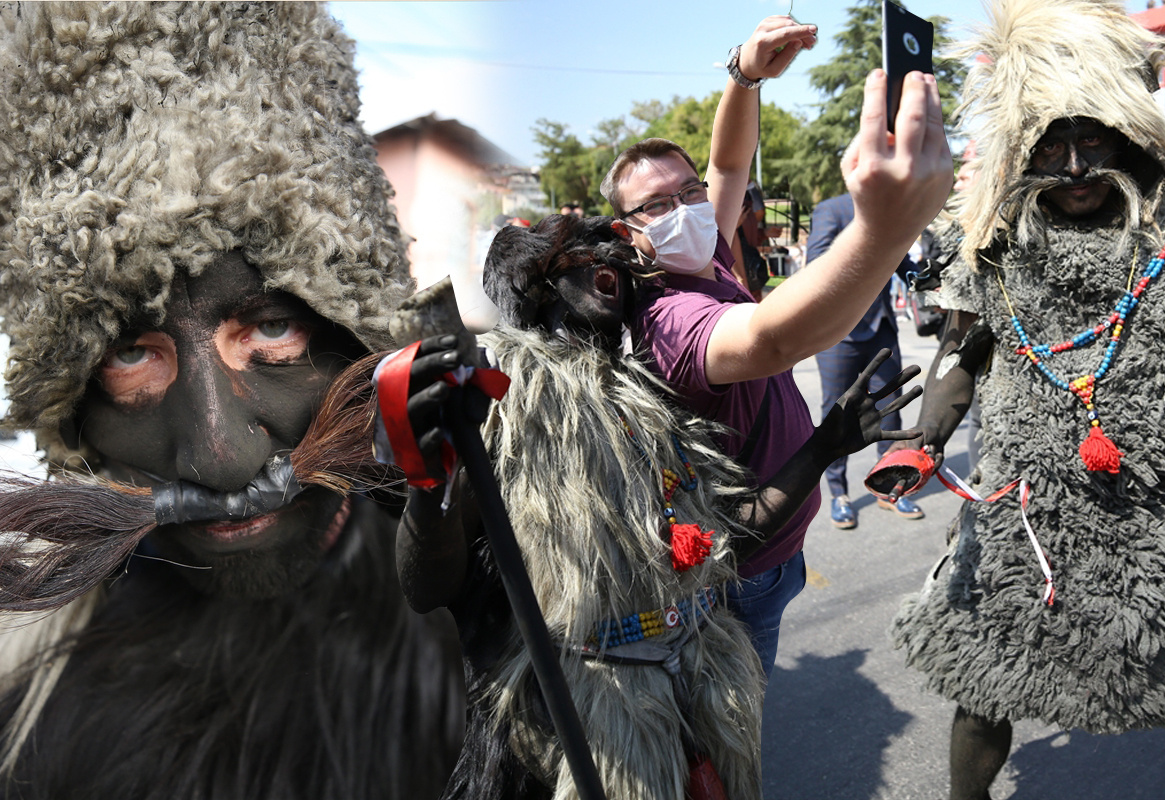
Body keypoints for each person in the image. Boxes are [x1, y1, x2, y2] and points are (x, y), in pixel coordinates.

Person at [0, 4, 465, 798]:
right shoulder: (26, 678)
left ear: (357, 331)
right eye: (131, 353)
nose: (221, 457)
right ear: (68, 402)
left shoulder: (494, 612)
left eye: (273, 327)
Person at [886, 2, 1165, 799]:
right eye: (1051, 143)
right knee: (985, 684)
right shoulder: (996, 247)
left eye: (1091, 139)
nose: (1071, 166)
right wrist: (921, 441)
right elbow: (959, 358)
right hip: (1027, 515)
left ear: (1129, 134)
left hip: (1164, 516)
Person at [387, 214, 922, 799]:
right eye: (583, 248)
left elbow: (726, 542)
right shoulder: (503, 397)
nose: (609, 254)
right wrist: (430, 484)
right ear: (535, 284)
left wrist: (822, 446)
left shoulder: (650, 402)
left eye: (613, 247)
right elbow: (426, 588)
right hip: (594, 718)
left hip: (702, 696)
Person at [600, 14, 953, 678]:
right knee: (738, 732)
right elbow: (771, 338)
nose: (684, 208)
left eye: (689, 191)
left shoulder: (709, 257)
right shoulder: (668, 314)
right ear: (627, 234)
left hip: (782, 546)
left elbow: (730, 161)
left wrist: (744, 76)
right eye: (657, 204)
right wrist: (884, 231)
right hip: (746, 572)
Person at [809, 192, 925, 529]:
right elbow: (817, 263)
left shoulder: (890, 205)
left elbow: (902, 259)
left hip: (883, 329)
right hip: (837, 333)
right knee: (837, 412)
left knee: (892, 408)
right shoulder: (832, 209)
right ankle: (838, 494)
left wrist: (921, 277)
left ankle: (890, 487)